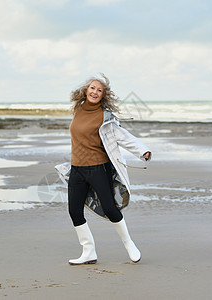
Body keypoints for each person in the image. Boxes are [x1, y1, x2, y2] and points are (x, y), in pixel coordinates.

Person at [56, 74, 151, 265]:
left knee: (110, 208)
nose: (95, 92)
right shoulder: (78, 109)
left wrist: (142, 151)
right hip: (77, 170)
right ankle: (88, 251)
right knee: (74, 211)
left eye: (99, 90)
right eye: (92, 88)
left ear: (103, 96)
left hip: (98, 168)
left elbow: (123, 137)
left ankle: (129, 244)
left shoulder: (105, 117)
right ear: (86, 90)